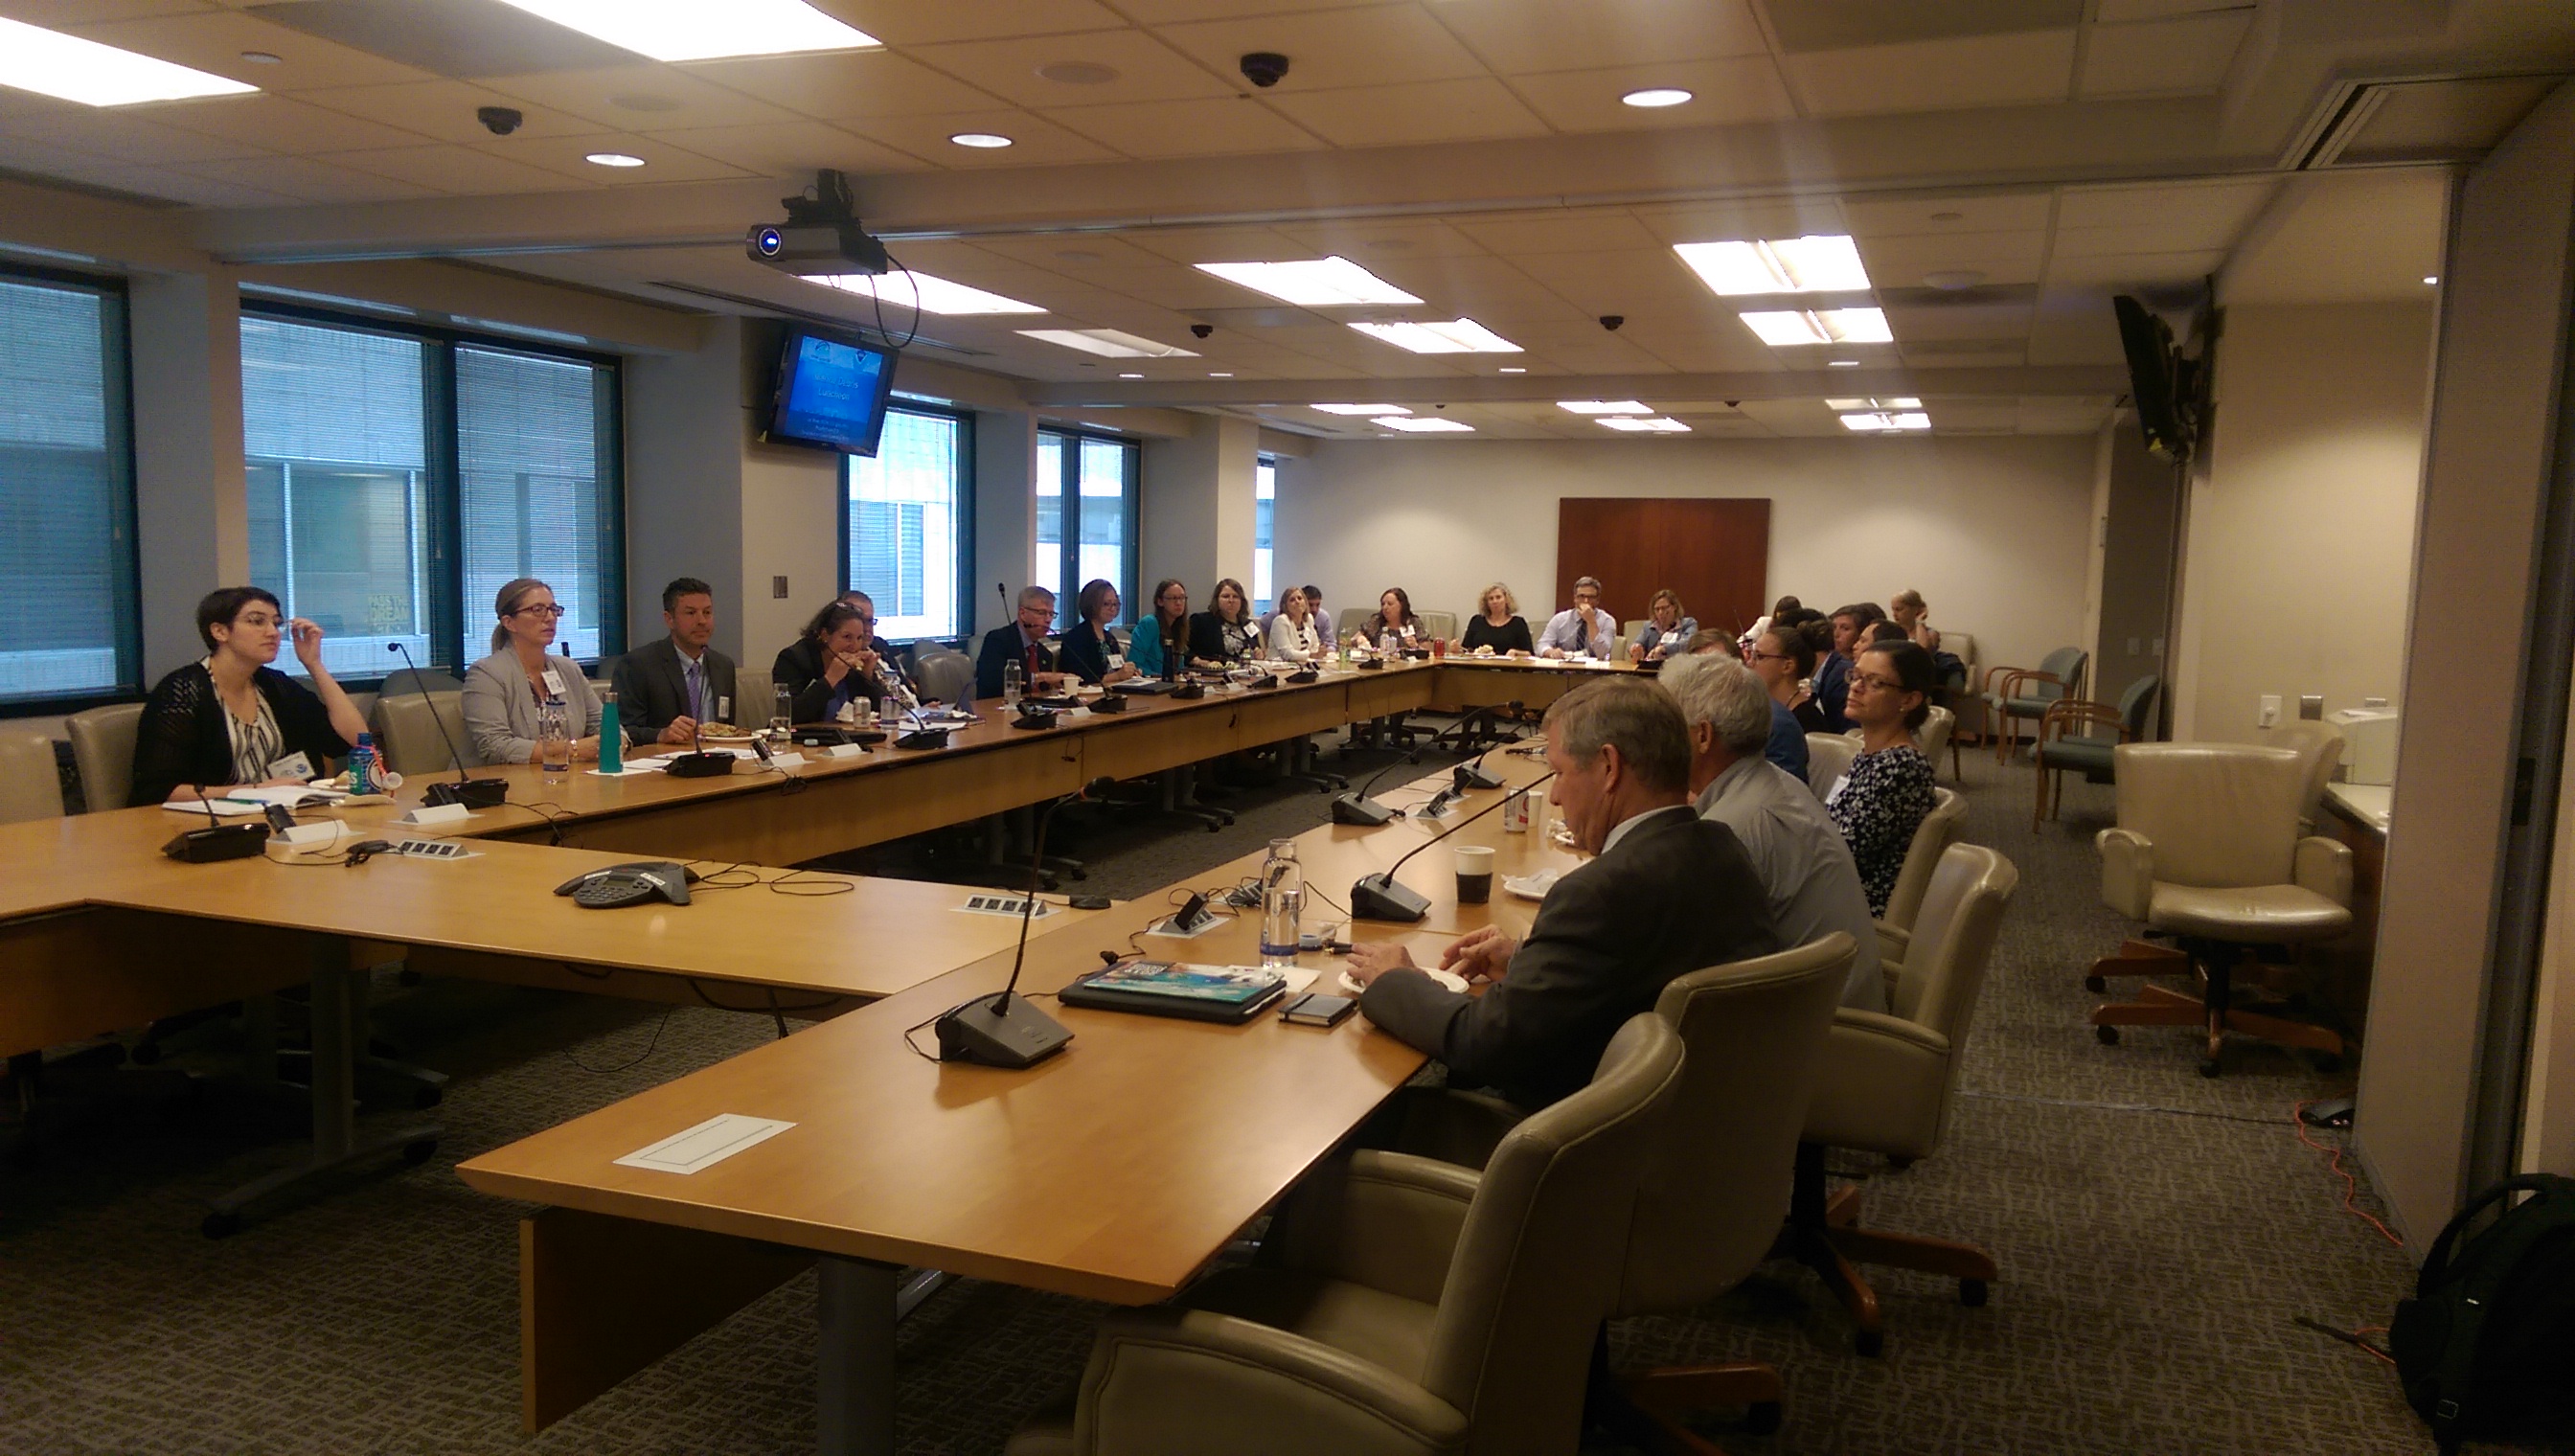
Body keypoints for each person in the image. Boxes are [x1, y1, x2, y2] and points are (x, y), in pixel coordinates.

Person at [1346, 679, 1780, 1110]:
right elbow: (1630, 969)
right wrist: (1525, 961)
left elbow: (1484, 1046)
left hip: (1577, 1145)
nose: (1553, 796)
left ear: (1609, 768)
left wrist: (1396, 981)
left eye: (1559, 773)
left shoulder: (1600, 893)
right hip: (1701, 1121)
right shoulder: (1724, 849)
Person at [1660, 654, 1883, 1010]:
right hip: (1823, 1013)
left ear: (1702, 736)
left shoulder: (1731, 831)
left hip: (1821, 1040)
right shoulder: (1776, 784)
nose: (1655, 740)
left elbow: (1676, 962)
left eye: (1664, 725)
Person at [130, 586, 372, 805]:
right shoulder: (182, 691)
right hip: (209, 821)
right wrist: (255, 790)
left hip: (283, 812)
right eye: (257, 622)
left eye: (276, 624)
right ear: (220, 631)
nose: (273, 633)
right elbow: (157, 791)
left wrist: (314, 664)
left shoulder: (275, 685)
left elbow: (355, 741)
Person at [1833, 640, 1941, 917]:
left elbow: (1842, 852)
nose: (1856, 686)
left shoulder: (1901, 767)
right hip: (1834, 888)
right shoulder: (1868, 755)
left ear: (1909, 700)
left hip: (1853, 907)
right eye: (1855, 676)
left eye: (1875, 682)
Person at [463, 577, 615, 765]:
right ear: (509, 623)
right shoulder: (486, 674)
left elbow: (604, 724)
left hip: (570, 779)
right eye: (538, 610)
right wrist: (572, 749)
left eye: (553, 609)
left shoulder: (568, 669)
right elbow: (495, 747)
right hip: (509, 784)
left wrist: (618, 740)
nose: (550, 618)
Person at [614, 577, 740, 744]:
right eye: (690, 613)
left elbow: (726, 726)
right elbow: (621, 731)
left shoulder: (724, 666)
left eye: (707, 612)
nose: (702, 621)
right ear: (669, 619)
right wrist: (661, 735)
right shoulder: (638, 664)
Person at [975, 586, 1064, 699]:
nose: (1048, 620)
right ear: (1022, 613)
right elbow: (992, 682)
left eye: (1051, 614)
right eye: (1041, 613)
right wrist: (1041, 677)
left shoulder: (1044, 653)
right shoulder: (998, 640)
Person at [1747, 622, 1829, 734]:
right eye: (1752, 656)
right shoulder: (1760, 707)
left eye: (1759, 657)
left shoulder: (1807, 721)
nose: (1749, 663)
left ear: (1787, 666)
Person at [1814, 602, 1884, 733]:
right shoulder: (1831, 665)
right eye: (1834, 627)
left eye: (1845, 628)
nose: (1836, 634)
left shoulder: (1843, 673)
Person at [1057, 579, 1140, 687]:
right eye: (1106, 604)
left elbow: (1117, 670)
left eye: (1115, 604)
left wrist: (1129, 673)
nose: (1112, 609)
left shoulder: (1110, 638)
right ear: (1091, 604)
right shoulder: (1076, 638)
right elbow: (1079, 678)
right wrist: (1117, 676)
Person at [1538, 576, 1618, 660]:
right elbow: (1541, 645)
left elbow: (1603, 654)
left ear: (1597, 600)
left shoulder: (1607, 621)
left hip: (1595, 670)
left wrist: (1591, 622)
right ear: (1575, 598)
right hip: (1564, 668)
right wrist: (1551, 652)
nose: (1586, 601)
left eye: (1591, 597)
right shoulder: (1559, 619)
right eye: (1581, 596)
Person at [1191, 578, 1265, 668]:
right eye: (1226, 596)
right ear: (1217, 599)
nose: (1231, 600)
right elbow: (1186, 651)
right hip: (1214, 675)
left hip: (1244, 674)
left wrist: (1258, 652)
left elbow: (1256, 647)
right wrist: (1203, 663)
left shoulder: (1247, 623)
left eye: (1236, 597)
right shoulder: (1201, 621)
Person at [1127, 579, 1193, 679]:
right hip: (1150, 684)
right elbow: (1135, 664)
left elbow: (1178, 668)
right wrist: (1164, 676)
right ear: (1160, 601)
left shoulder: (1179, 628)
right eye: (1173, 598)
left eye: (1182, 598)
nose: (1179, 603)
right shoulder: (1149, 623)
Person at [1461, 581, 1534, 655]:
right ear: (1486, 603)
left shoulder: (1518, 623)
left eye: (1498, 597)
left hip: (1507, 665)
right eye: (1491, 599)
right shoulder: (1476, 621)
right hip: (1479, 665)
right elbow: (1465, 650)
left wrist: (1515, 652)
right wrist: (1456, 649)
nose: (1495, 601)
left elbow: (1529, 653)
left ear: (1506, 600)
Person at [1628, 588, 1698, 661]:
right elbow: (1638, 642)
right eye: (1657, 609)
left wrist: (1664, 648)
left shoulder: (1688, 623)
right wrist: (1635, 649)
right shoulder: (1649, 626)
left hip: (1678, 667)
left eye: (1664, 608)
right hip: (1652, 668)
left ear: (1674, 607)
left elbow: (1687, 644)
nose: (1660, 612)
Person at [1351, 587, 1421, 653]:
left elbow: (1428, 650)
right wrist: (1359, 640)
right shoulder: (1376, 621)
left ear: (1401, 606)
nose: (1385, 607)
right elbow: (1351, 641)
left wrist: (1416, 646)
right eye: (1383, 604)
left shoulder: (1413, 622)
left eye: (1390, 604)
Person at [1267, 587, 1327, 662]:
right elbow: (1287, 654)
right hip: (1280, 667)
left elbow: (1315, 645)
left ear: (1305, 602)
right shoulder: (1280, 621)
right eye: (1292, 600)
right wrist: (1310, 655)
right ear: (1285, 606)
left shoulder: (1309, 619)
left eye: (1300, 598)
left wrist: (1318, 652)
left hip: (1303, 665)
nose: (1297, 602)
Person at [1890, 588, 1942, 653]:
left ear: (1915, 609)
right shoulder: (1891, 631)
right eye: (1893, 610)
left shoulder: (1931, 634)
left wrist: (1919, 621)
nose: (1894, 614)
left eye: (1899, 609)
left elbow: (1923, 651)